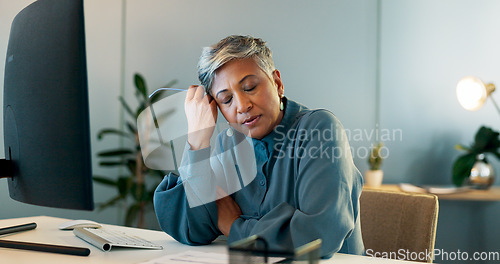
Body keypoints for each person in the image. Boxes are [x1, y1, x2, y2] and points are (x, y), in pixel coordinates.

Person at [153, 35, 365, 258]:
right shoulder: (228, 142)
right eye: (226, 100)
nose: (243, 106)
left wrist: (234, 225)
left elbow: (318, 236)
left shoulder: (320, 129)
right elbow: (193, 229)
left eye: (250, 87)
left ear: (277, 83)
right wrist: (197, 142)